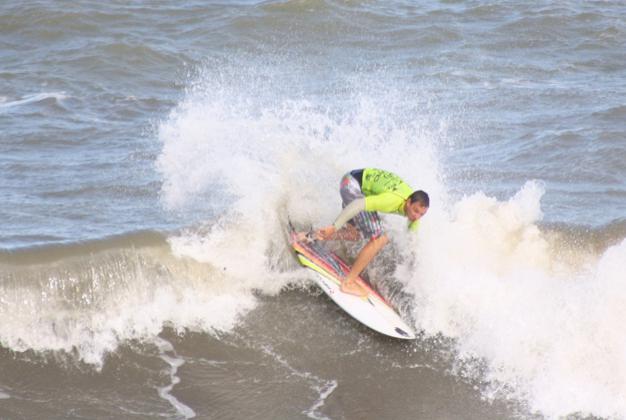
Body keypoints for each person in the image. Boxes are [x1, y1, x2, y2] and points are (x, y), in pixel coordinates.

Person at [312, 168, 429, 297]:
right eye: (415, 211)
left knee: (354, 234)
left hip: (352, 182)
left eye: (421, 214)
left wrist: (415, 271)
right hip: (351, 185)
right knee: (379, 238)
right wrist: (334, 226)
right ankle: (348, 283)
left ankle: (311, 236)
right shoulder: (392, 200)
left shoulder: (415, 216)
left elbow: (411, 242)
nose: (417, 216)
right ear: (408, 203)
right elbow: (357, 205)